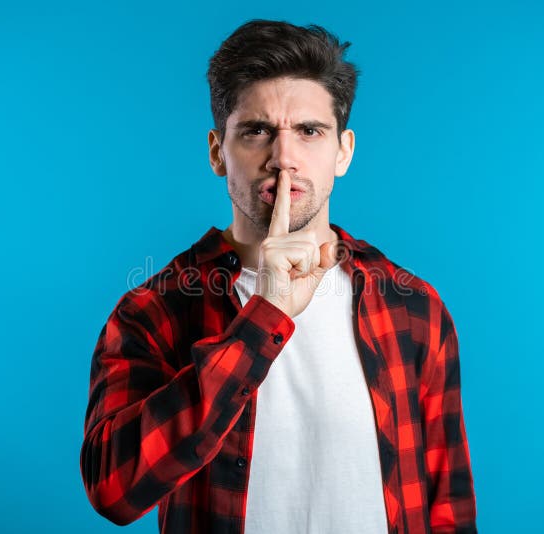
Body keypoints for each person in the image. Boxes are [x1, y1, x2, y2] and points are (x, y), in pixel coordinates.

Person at [79, 19, 477, 534]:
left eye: (309, 131)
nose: (283, 158)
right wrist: (262, 320)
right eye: (256, 131)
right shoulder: (155, 310)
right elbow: (114, 490)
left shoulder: (412, 308)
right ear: (218, 152)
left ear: (343, 152)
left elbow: (448, 505)